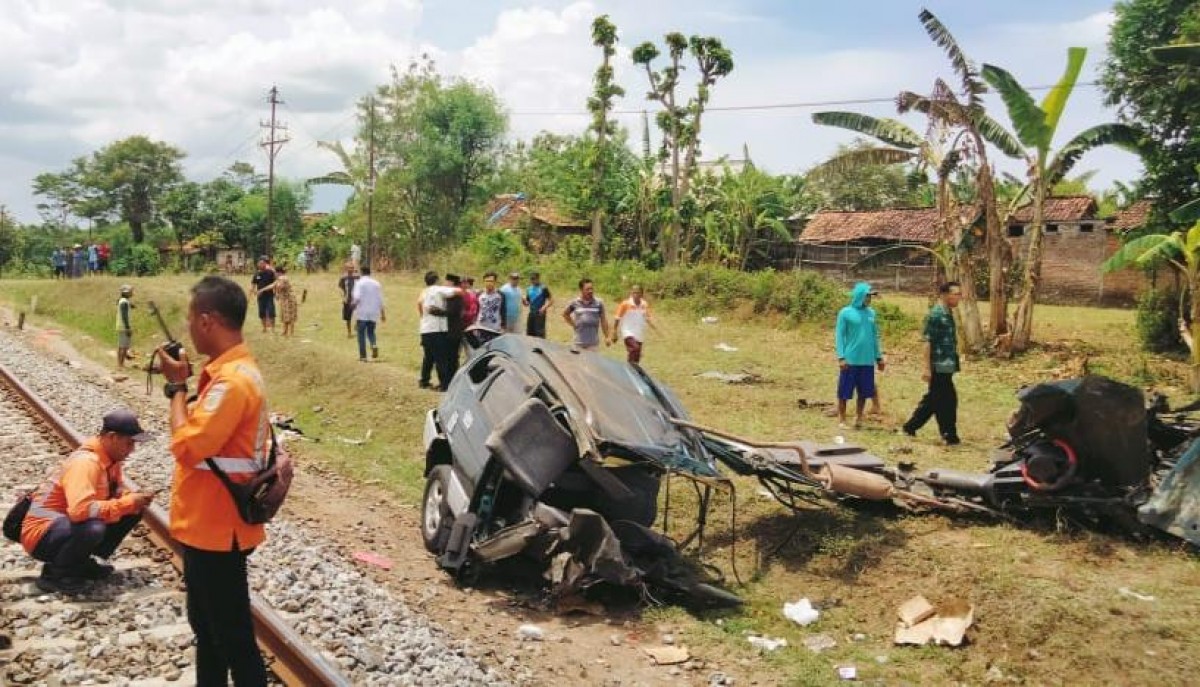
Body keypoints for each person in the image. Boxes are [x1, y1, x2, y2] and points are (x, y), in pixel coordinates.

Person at [156, 275, 282, 686]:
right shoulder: (230, 374)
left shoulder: (232, 382)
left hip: (218, 528)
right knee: (209, 632)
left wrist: (177, 388)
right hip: (209, 525)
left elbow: (187, 446)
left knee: (233, 639)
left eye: (191, 318)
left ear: (207, 321)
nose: (189, 327)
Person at [18, 408, 154, 594]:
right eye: (129, 443)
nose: (132, 449)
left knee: (132, 510)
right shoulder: (86, 463)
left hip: (62, 526)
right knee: (93, 527)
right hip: (41, 535)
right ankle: (55, 575)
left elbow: (115, 492)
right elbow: (80, 511)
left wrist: (133, 499)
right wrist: (127, 502)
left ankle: (80, 563)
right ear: (112, 437)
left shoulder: (111, 461)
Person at [902, 281, 963, 445]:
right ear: (945, 295)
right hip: (938, 365)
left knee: (936, 399)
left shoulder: (948, 313)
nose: (959, 297)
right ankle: (948, 434)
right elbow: (927, 342)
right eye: (956, 294)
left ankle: (912, 427)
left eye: (959, 294)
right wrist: (926, 368)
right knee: (944, 400)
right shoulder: (935, 315)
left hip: (947, 365)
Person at [834, 282, 885, 430]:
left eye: (870, 296)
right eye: (867, 296)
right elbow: (839, 336)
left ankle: (859, 418)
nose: (869, 299)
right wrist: (841, 357)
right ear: (859, 296)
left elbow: (874, 336)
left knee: (863, 392)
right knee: (844, 391)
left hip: (867, 360)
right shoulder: (845, 313)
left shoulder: (871, 313)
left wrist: (879, 357)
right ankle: (842, 419)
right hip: (850, 360)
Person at [417, 271, 460, 390]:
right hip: (437, 330)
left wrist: (422, 316)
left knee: (428, 357)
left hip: (425, 329)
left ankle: (424, 381)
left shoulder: (424, 291)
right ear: (436, 280)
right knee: (441, 358)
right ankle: (444, 384)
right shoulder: (438, 289)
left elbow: (419, 303)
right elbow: (457, 291)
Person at [611, 284, 659, 364]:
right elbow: (617, 317)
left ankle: (632, 368)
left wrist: (655, 328)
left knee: (636, 357)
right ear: (631, 293)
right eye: (634, 292)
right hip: (628, 332)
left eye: (638, 293)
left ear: (642, 294)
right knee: (635, 348)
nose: (635, 295)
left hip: (639, 334)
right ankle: (630, 368)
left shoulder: (644, 304)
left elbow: (648, 318)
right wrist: (614, 331)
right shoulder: (625, 304)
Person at [563, 278, 611, 351]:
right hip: (578, 343)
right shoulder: (575, 303)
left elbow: (603, 320)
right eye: (587, 289)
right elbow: (565, 314)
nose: (590, 291)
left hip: (593, 344)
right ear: (581, 290)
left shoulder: (599, 303)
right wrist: (573, 324)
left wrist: (607, 336)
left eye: (591, 289)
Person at [351, 266, 385, 361]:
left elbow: (357, 298)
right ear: (370, 273)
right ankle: (373, 344)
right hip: (374, 312)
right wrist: (383, 314)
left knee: (361, 334)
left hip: (362, 312)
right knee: (371, 332)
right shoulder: (377, 284)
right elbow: (380, 300)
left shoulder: (359, 283)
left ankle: (363, 356)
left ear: (361, 272)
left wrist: (352, 307)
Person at [473, 272, 506, 346]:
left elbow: (503, 311)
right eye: (487, 281)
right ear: (484, 282)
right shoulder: (479, 294)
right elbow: (476, 310)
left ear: (495, 282)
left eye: (491, 281)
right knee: (481, 349)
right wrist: (474, 324)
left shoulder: (501, 295)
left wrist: (503, 326)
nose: (489, 283)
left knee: (494, 348)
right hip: (481, 327)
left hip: (495, 328)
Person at [250, 256, 276, 334]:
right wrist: (253, 291)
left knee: (271, 311)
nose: (260, 265)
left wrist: (276, 292)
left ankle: (273, 329)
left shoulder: (270, 272)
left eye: (262, 263)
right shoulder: (256, 274)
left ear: (265, 264)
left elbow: (275, 283)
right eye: (259, 264)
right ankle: (264, 328)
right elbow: (253, 284)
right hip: (260, 296)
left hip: (269, 295)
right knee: (261, 312)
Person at [524, 271, 553, 338]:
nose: (532, 281)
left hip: (540, 314)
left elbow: (551, 300)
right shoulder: (529, 289)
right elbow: (527, 303)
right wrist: (524, 301)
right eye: (531, 279)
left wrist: (544, 307)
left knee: (539, 333)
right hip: (531, 313)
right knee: (529, 333)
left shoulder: (543, 288)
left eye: (534, 279)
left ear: (538, 278)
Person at [272, 266, 298, 337]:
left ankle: (291, 332)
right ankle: (285, 331)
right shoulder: (279, 279)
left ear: (278, 272)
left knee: (290, 316)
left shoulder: (283, 278)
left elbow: (280, 286)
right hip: (284, 299)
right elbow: (273, 286)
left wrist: (275, 290)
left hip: (289, 299)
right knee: (284, 316)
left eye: (275, 272)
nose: (274, 274)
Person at [337, 261, 358, 338]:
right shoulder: (343, 278)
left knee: (359, 314)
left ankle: (357, 325)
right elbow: (340, 289)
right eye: (349, 268)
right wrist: (343, 297)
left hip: (356, 299)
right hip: (347, 300)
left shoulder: (357, 277)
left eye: (352, 268)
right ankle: (349, 332)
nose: (351, 269)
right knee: (348, 318)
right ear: (346, 269)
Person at [116, 284, 135, 368]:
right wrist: (128, 328)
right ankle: (121, 364)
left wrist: (130, 305)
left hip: (121, 326)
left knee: (121, 346)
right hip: (124, 327)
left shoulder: (123, 301)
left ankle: (120, 363)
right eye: (130, 291)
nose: (132, 293)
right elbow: (124, 316)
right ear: (126, 293)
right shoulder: (124, 302)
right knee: (124, 346)